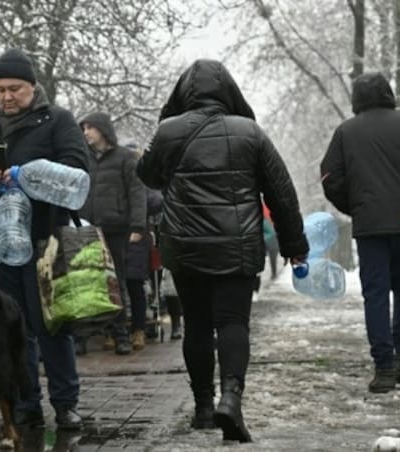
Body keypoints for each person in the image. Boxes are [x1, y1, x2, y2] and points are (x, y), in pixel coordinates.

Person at [137, 59, 308, 442]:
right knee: (233, 323)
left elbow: (146, 175)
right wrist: (294, 245)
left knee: (196, 325)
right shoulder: (250, 133)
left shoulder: (169, 131)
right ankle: (231, 398)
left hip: (185, 247)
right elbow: (282, 194)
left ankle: (201, 407)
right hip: (237, 246)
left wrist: (168, 119)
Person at [0, 48, 88, 430]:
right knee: (12, 328)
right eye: (0, 89)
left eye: (15, 88)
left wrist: (30, 176)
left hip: (45, 238)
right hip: (0, 243)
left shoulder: (58, 120)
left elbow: (78, 170)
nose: (7, 96)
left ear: (33, 86)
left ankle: (65, 404)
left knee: (51, 323)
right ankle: (26, 402)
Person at [320, 72, 400, 394]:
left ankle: (384, 367)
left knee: (375, 293)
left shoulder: (345, 132)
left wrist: (356, 207)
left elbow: (328, 178)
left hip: (369, 228)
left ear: (357, 99)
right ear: (389, 94)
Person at [78, 112, 146, 355]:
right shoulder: (82, 159)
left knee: (115, 282)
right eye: (83, 128)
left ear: (103, 130)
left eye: (90, 128)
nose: (86, 133)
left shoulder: (126, 158)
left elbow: (137, 193)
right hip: (87, 229)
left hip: (116, 229)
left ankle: (121, 336)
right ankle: (84, 337)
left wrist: (138, 226)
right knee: (86, 281)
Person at [125, 187, 165, 349]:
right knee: (113, 284)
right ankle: (113, 331)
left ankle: (138, 329)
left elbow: (157, 200)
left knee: (134, 284)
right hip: (114, 230)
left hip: (137, 236)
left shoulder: (140, 177)